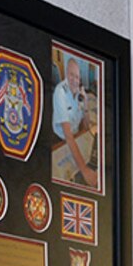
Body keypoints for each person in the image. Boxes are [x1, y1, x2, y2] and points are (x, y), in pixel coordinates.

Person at [50, 53, 98, 190]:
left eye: (77, 77)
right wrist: (85, 171)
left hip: (76, 137)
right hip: (60, 140)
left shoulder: (79, 93)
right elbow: (68, 136)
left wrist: (86, 104)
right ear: (66, 73)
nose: (74, 80)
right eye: (71, 75)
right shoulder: (60, 93)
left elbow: (86, 126)